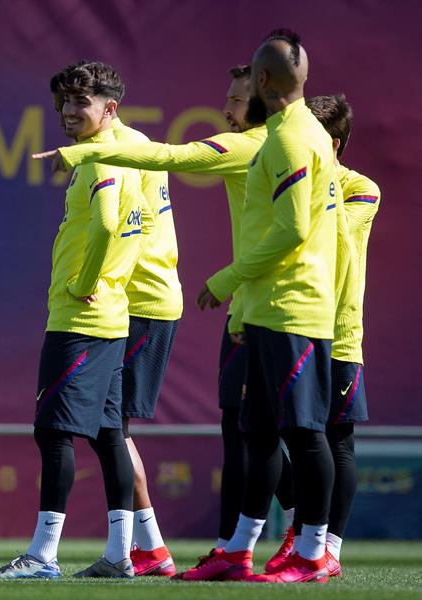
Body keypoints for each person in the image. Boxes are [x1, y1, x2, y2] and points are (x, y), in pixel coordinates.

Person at [35, 63, 295, 570]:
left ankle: (304, 531)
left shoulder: (119, 150)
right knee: (119, 429)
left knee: (113, 429)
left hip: (138, 302)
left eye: (237, 99)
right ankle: (149, 546)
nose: (227, 108)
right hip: (138, 299)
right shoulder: (129, 144)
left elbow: (123, 220)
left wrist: (90, 283)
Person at [0, 61, 147, 580]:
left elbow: (106, 224)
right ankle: (120, 553)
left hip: (82, 319)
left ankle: (43, 555)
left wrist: (83, 282)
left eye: (80, 102)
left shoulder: (100, 158)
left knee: (53, 433)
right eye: (63, 103)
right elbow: (136, 227)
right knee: (108, 435)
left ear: (109, 108)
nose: (68, 112)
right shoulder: (128, 151)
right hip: (111, 316)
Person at [185, 30, 339, 583]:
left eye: (247, 81)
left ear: (263, 81)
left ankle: (312, 553)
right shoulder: (283, 133)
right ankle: (238, 550)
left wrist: (227, 279)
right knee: (258, 433)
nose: (235, 97)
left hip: (293, 309)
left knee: (305, 433)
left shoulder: (292, 139)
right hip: (266, 309)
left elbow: (292, 230)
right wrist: (244, 306)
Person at [272, 94, 380, 579]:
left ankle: (328, 548)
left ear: (332, 143)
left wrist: (315, 181)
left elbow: (331, 236)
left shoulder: (361, 189)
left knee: (337, 440)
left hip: (338, 330)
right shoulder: (289, 178)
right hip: (287, 322)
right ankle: (301, 525)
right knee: (258, 426)